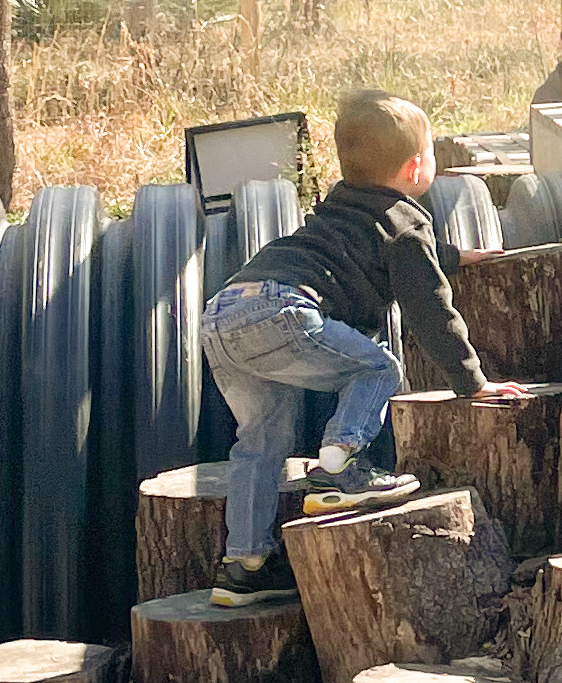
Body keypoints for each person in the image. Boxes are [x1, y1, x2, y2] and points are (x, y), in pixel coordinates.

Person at [199, 90, 494, 606]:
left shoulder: (341, 203)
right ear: (417, 165)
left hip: (224, 310)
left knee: (260, 440)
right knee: (378, 367)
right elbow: (429, 306)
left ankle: (243, 566)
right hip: (282, 309)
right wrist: (472, 382)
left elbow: (383, 251)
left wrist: (451, 255)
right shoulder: (407, 218)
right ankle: (341, 468)